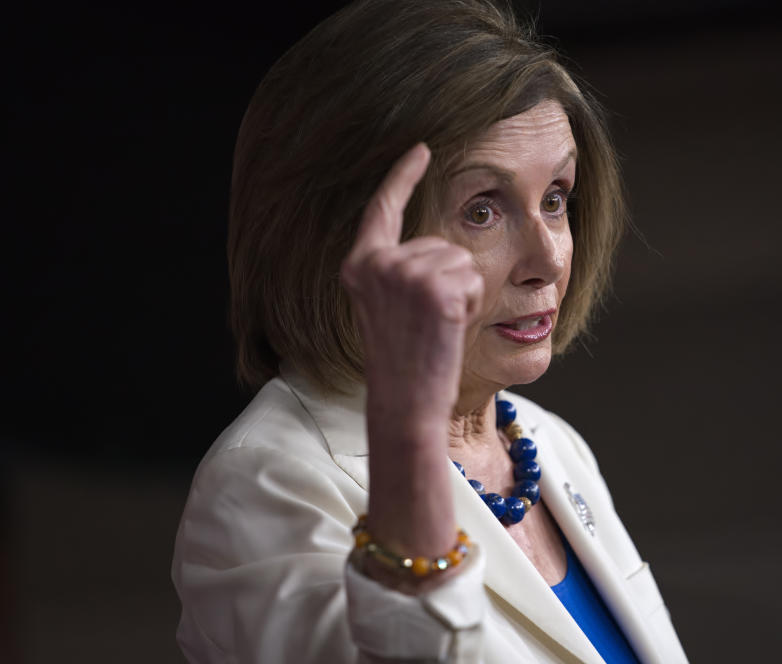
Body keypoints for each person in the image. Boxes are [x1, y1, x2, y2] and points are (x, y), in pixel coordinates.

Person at [172, 1, 689, 662]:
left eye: (555, 198)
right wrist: (409, 421)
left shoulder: (549, 444)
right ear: (343, 239)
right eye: (482, 209)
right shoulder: (261, 484)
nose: (549, 259)